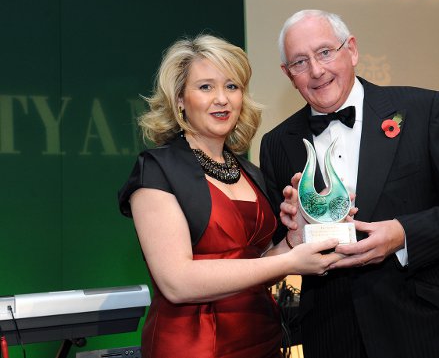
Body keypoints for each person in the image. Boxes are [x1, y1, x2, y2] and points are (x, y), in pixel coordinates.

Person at [259, 10, 439, 358]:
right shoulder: (278, 143)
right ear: (288, 74)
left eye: (325, 52)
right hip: (331, 337)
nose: (316, 70)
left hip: (424, 333)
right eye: (300, 61)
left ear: (352, 50)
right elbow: (275, 253)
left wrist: (402, 235)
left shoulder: (422, 110)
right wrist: (291, 237)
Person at [118, 34, 342, 358]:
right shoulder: (157, 169)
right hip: (192, 347)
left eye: (232, 86)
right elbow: (177, 282)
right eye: (206, 87)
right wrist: (293, 260)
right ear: (180, 99)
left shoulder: (250, 172)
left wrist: (294, 240)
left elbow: (257, 265)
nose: (222, 99)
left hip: (263, 340)